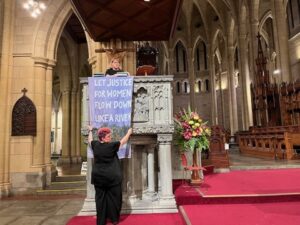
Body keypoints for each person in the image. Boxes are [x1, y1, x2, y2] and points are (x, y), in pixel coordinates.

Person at [88, 125, 132, 225]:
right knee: (115, 199)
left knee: (100, 200)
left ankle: (101, 221)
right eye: (108, 136)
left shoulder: (95, 145)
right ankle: (114, 219)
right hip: (112, 178)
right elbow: (123, 141)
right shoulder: (112, 146)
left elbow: (90, 140)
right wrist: (129, 132)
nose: (110, 137)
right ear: (102, 138)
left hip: (98, 178)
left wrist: (90, 131)